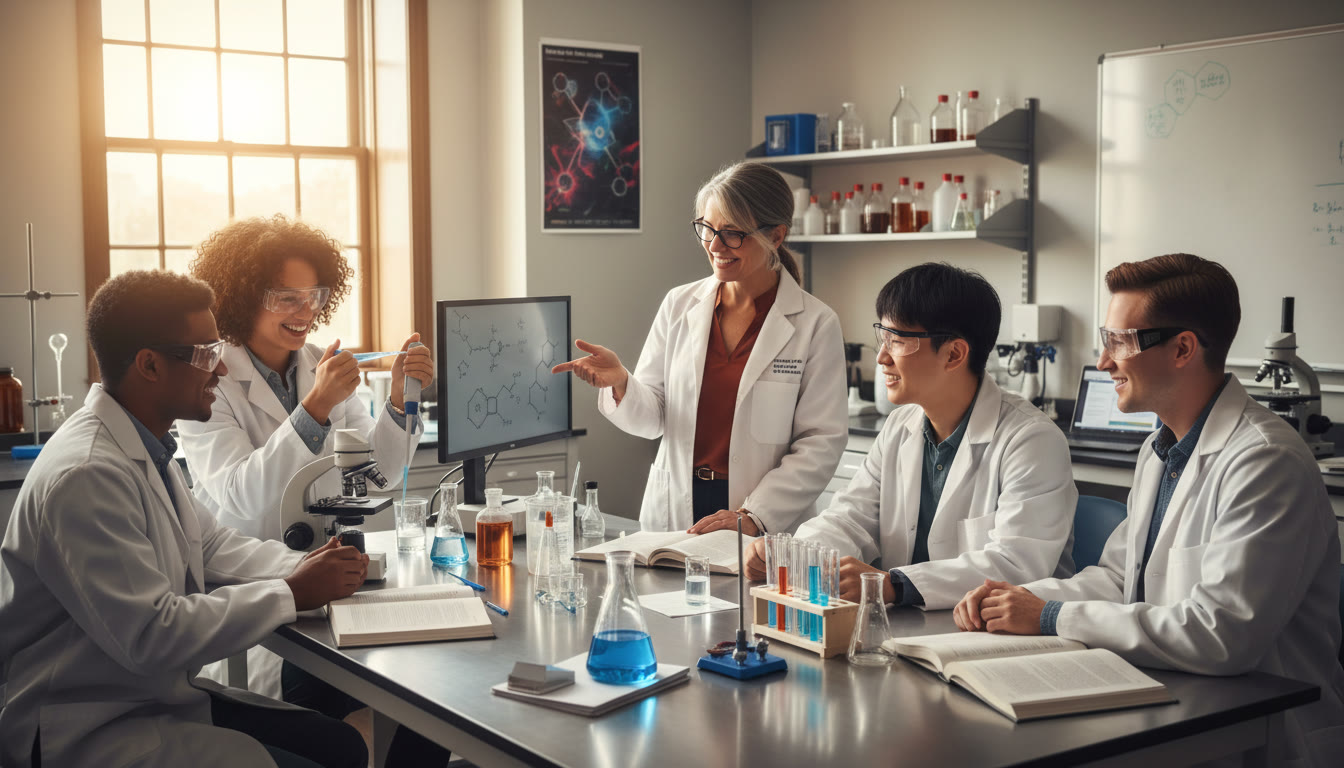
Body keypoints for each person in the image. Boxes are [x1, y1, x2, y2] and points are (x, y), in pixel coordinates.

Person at [953, 253, 1344, 766]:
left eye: (1120, 342)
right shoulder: (1161, 449)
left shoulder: (1265, 462)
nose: (1103, 362)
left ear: (1183, 348)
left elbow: (1221, 635)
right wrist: (1020, 598)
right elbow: (1120, 579)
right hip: (1174, 706)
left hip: (1262, 735)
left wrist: (1049, 617)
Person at [0, 270, 369, 768]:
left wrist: (306, 566)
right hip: (87, 724)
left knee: (339, 745)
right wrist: (292, 591)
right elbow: (152, 634)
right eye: (203, 355)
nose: (218, 371)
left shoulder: (146, 446)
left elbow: (214, 545)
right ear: (149, 364)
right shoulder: (86, 474)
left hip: (148, 699)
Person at [178, 216, 448, 765]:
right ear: (240, 298)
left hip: (328, 577)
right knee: (327, 726)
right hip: (257, 587)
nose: (305, 312)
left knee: (430, 702)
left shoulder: (317, 363)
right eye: (286, 297)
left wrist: (398, 400)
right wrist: (315, 408)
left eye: (314, 295)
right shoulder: (209, 379)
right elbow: (241, 497)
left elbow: (374, 474)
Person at [745, 263, 1076, 607]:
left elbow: (1016, 564)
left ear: (954, 354)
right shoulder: (900, 426)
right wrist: (792, 555)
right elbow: (850, 517)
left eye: (898, 341)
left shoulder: (1032, 441)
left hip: (1005, 641)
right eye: (883, 338)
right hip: (913, 629)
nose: (883, 357)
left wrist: (895, 585)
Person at [552, 162, 847, 535]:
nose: (715, 246)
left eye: (732, 233)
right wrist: (623, 382)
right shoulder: (679, 304)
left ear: (776, 236)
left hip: (760, 520)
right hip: (678, 507)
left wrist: (754, 515)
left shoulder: (815, 324)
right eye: (707, 229)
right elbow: (653, 419)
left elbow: (820, 442)